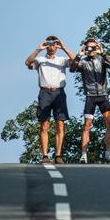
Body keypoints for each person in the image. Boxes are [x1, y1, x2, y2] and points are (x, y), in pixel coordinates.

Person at [25, 36, 75, 164]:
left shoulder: (61, 60)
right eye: (49, 44)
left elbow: (75, 61)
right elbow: (27, 63)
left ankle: (58, 155)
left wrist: (63, 47)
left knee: (60, 123)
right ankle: (45, 155)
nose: (51, 46)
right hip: (45, 92)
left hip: (59, 92)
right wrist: (39, 49)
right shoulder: (40, 60)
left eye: (54, 44)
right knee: (44, 124)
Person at [70, 38, 110, 164]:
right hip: (90, 96)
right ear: (85, 49)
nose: (91, 50)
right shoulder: (83, 62)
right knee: (87, 126)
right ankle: (84, 155)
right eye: (88, 48)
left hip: (103, 96)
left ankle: (108, 154)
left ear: (97, 48)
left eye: (93, 48)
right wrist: (79, 55)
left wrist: (103, 53)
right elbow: (72, 69)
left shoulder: (101, 59)